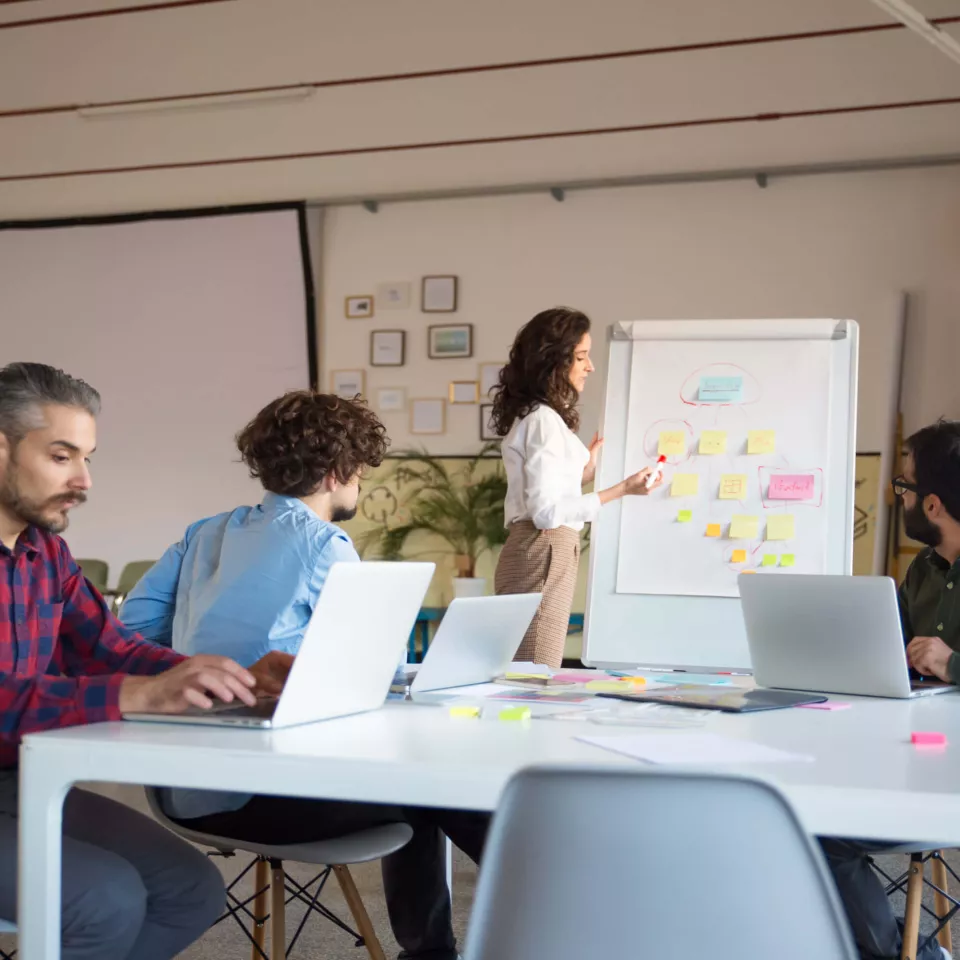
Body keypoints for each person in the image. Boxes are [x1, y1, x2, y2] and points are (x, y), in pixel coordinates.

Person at [121, 389, 487, 960]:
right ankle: (469, 941)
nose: (359, 484)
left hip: (183, 789)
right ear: (338, 472)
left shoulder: (204, 532)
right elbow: (383, 670)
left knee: (424, 785)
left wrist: (208, 656)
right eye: (360, 471)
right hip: (271, 790)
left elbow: (132, 630)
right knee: (439, 783)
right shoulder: (324, 543)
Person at [0, 362, 293, 960]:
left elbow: (109, 648)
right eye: (61, 456)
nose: (83, 479)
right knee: (105, 900)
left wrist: (225, 679)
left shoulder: (45, 552)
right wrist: (132, 694)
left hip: (18, 780)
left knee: (190, 890)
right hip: (19, 779)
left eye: (88, 458)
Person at [819, 419, 960, 960]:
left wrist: (953, 663)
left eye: (904, 485)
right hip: (912, 762)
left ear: (932, 505)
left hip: (945, 783)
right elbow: (889, 650)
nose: (898, 495)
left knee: (824, 837)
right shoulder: (923, 570)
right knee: (805, 823)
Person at [490, 307, 663, 667]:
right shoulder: (542, 421)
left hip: (543, 548)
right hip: (544, 547)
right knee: (535, 672)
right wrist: (622, 489)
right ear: (555, 361)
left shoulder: (541, 417)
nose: (590, 367)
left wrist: (581, 473)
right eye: (582, 357)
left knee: (531, 669)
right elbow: (546, 513)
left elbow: (543, 494)